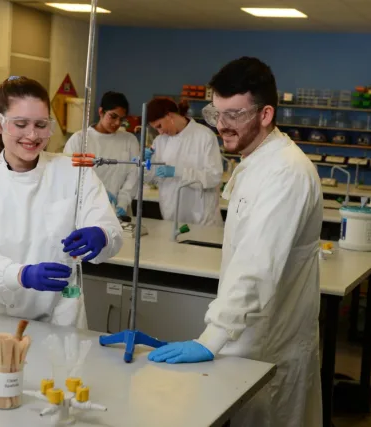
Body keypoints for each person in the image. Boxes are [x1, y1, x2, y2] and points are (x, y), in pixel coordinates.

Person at [148, 57, 323, 427]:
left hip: (271, 342)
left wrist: (212, 338)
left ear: (265, 114)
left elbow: (257, 267)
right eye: (216, 113)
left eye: (235, 115)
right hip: (246, 338)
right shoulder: (254, 161)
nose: (222, 126)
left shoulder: (286, 172)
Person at [0, 76, 123, 327]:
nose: (32, 135)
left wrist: (103, 235)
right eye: (20, 124)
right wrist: (21, 274)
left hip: (62, 316)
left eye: (41, 125)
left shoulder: (75, 172)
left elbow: (112, 232)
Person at [145, 97, 223, 226]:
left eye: (159, 126)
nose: (160, 131)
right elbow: (152, 179)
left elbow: (214, 177)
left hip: (202, 222)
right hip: (171, 218)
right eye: (156, 129)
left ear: (169, 115)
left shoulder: (205, 136)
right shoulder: (160, 141)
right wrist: (146, 164)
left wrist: (178, 172)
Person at [64, 91, 139, 218]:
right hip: (88, 209)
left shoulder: (129, 140)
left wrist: (123, 201)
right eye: (113, 116)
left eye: (121, 119)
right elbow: (69, 176)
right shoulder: (80, 139)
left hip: (120, 211)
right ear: (101, 112)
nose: (117, 123)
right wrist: (96, 193)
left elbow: (134, 174)